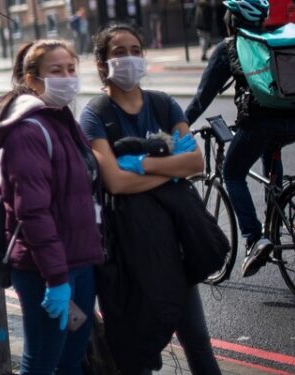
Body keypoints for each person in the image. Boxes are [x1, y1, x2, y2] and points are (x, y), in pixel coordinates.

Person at [79, 24, 221, 374]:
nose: (130, 58)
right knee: (136, 347)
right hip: (127, 249)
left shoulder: (163, 104)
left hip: (174, 242)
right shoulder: (95, 114)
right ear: (102, 64)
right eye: (119, 52)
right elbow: (114, 182)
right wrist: (169, 172)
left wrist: (140, 164)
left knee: (197, 342)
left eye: (136, 50)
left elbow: (195, 162)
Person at [0, 40, 104, 374]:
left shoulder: (62, 120)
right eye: (56, 70)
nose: (67, 77)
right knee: (42, 362)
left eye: (71, 69)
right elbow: (32, 212)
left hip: (79, 261)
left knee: (71, 362)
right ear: (32, 80)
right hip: (44, 270)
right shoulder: (29, 131)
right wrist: (56, 277)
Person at [185, 0, 291, 278]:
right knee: (271, 151)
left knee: (232, 172)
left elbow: (201, 99)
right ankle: (276, 223)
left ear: (232, 20)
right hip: (293, 120)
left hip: (259, 123)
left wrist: (178, 126)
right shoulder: (273, 42)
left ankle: (254, 239)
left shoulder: (228, 48)